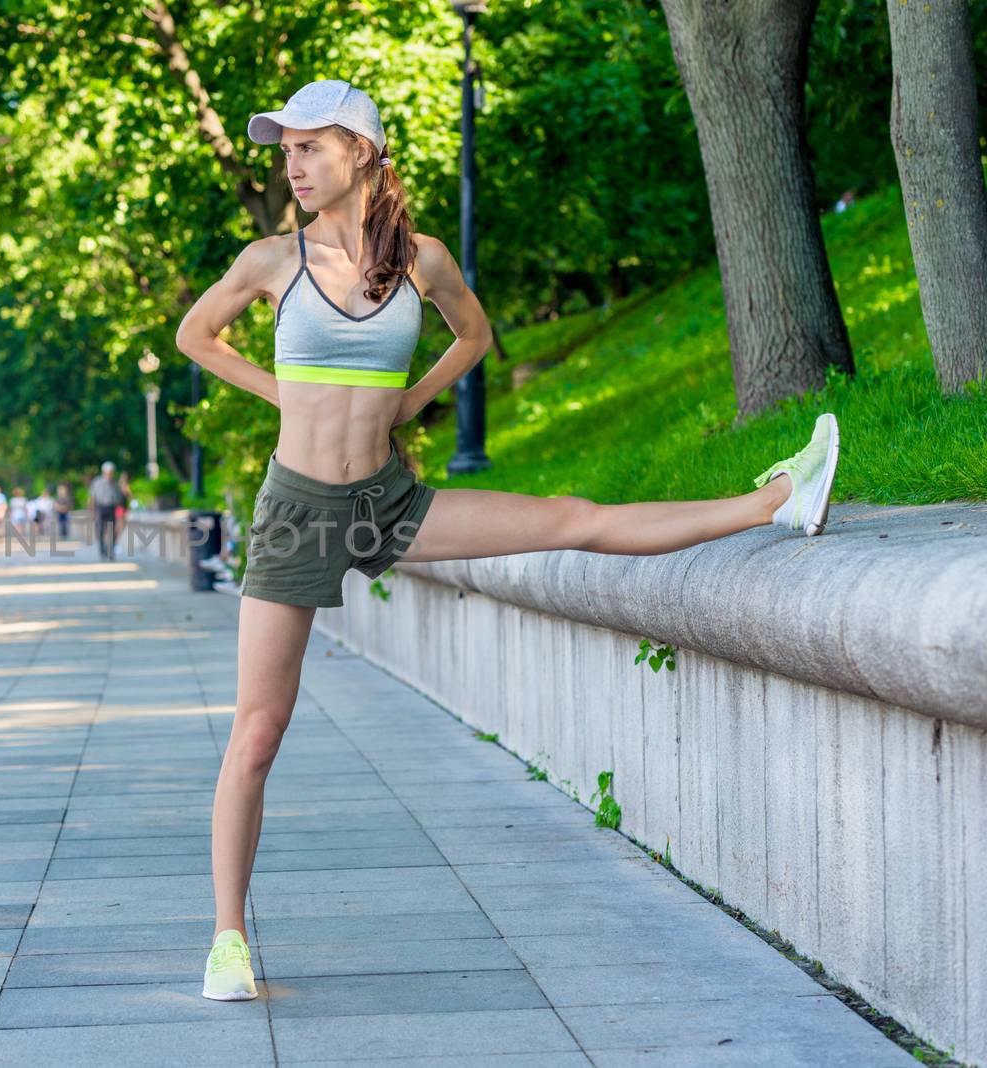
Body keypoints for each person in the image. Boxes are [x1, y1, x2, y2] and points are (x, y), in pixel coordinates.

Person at [173, 79, 841, 1003]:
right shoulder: (268, 261)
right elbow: (196, 335)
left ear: (362, 150)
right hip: (297, 509)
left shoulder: (421, 261)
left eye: (308, 147)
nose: (292, 165)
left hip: (389, 496)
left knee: (571, 515)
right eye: (284, 150)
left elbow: (475, 333)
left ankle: (778, 501)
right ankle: (229, 940)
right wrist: (287, 394)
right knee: (258, 733)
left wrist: (411, 399)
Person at [88, 461, 123, 560]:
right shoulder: (97, 482)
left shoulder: (115, 483)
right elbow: (92, 498)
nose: (109, 475)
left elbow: (119, 500)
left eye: (111, 472)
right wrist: (92, 511)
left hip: (112, 508)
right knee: (100, 531)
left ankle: (110, 551)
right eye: (107, 472)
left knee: (112, 531)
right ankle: (102, 551)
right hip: (100, 508)